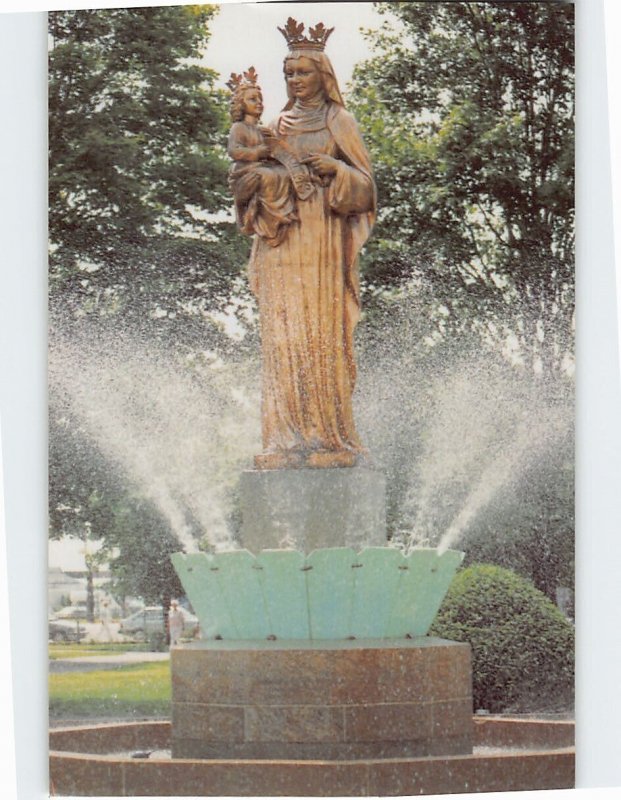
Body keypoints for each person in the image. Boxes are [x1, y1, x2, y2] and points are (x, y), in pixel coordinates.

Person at [229, 19, 376, 470]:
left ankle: (327, 436)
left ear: (322, 75)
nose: (294, 80)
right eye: (289, 73)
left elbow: (366, 189)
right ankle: (284, 438)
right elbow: (241, 182)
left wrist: (335, 169)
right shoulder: (272, 126)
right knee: (283, 336)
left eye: (303, 72)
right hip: (281, 241)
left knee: (318, 335)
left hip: (322, 245)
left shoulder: (339, 121)